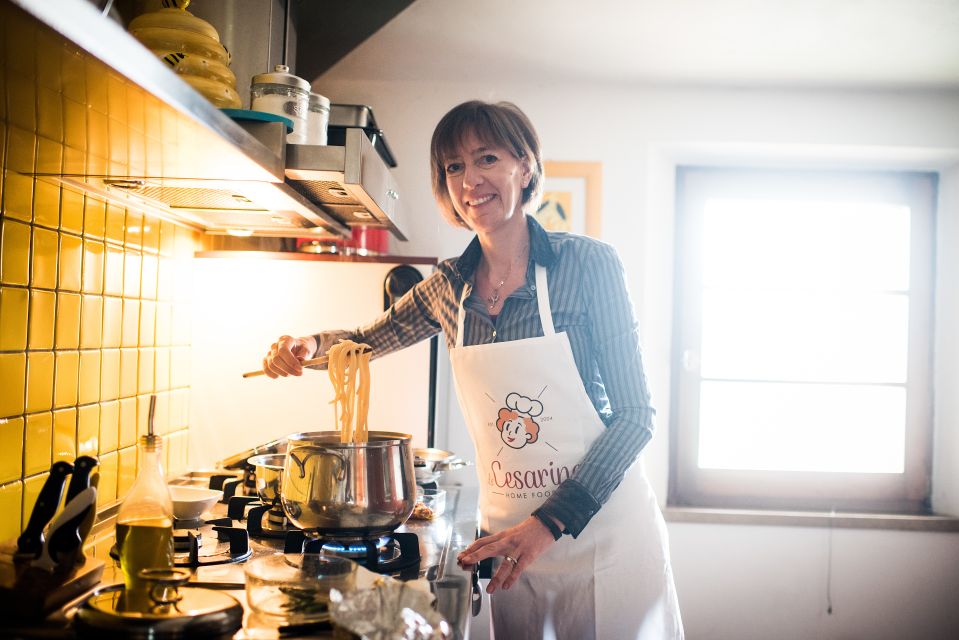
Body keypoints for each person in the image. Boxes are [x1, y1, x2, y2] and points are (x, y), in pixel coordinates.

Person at [262, 100, 684, 639]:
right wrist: (306, 345)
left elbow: (636, 416)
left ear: (525, 167)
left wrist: (548, 524)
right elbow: (364, 342)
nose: (470, 181)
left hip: (604, 535)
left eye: (486, 159)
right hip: (511, 549)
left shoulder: (589, 264)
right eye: (454, 168)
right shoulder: (449, 287)